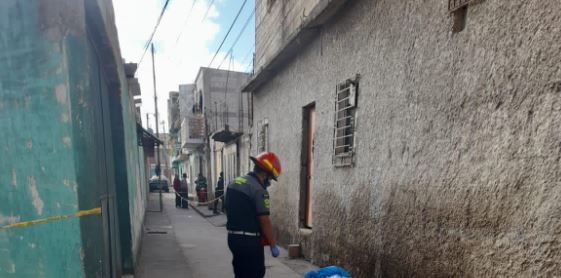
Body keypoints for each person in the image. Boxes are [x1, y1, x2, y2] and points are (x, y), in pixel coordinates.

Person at [225, 152, 282, 278]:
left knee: (240, 273)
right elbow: (264, 220)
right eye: (270, 178)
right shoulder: (259, 190)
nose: (269, 181)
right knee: (255, 273)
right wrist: (272, 244)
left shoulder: (234, 182)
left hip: (233, 239)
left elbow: (227, 208)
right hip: (249, 242)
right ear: (265, 174)